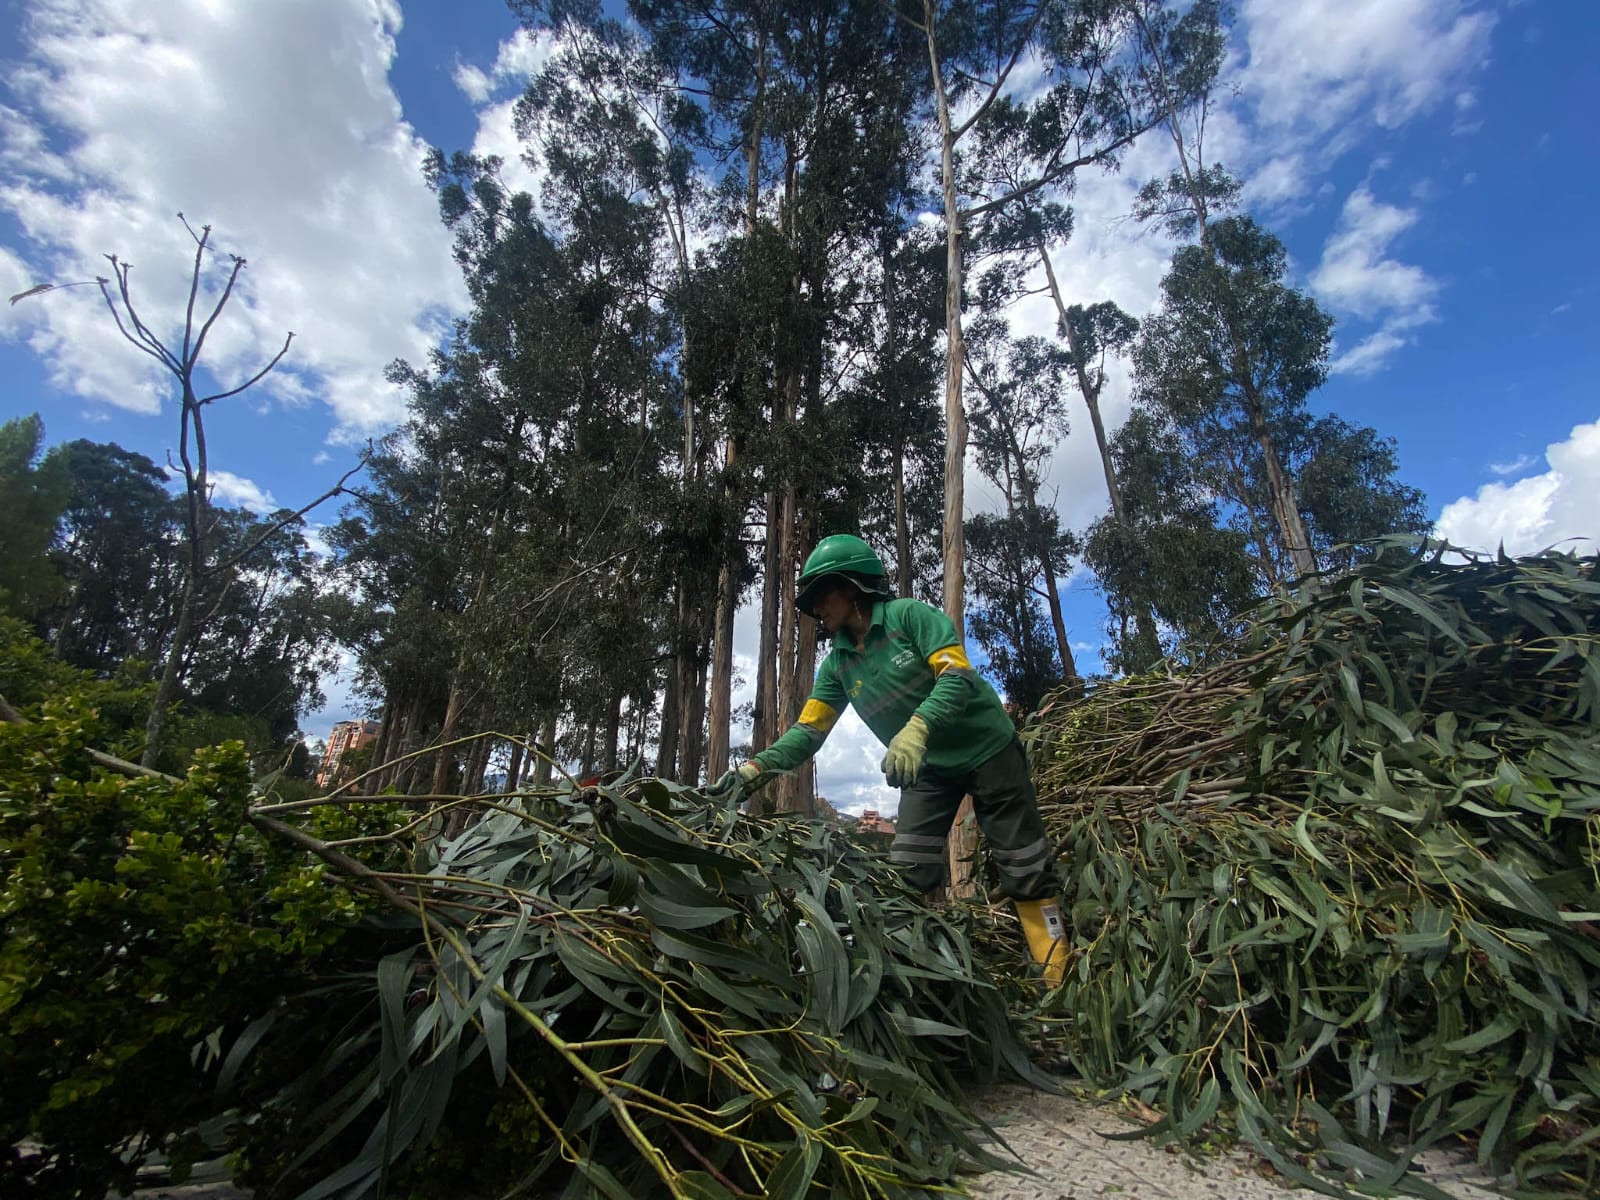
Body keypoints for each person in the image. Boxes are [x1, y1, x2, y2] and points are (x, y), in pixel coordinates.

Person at [709, 534, 1067, 984]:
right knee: (907, 873)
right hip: (928, 770)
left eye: (822, 593)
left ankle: (1056, 979)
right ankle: (927, 978)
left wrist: (917, 727)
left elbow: (956, 674)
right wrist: (753, 769)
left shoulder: (910, 617)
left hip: (988, 749)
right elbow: (808, 732)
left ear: (852, 586)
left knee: (1024, 863)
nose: (817, 607)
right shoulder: (838, 663)